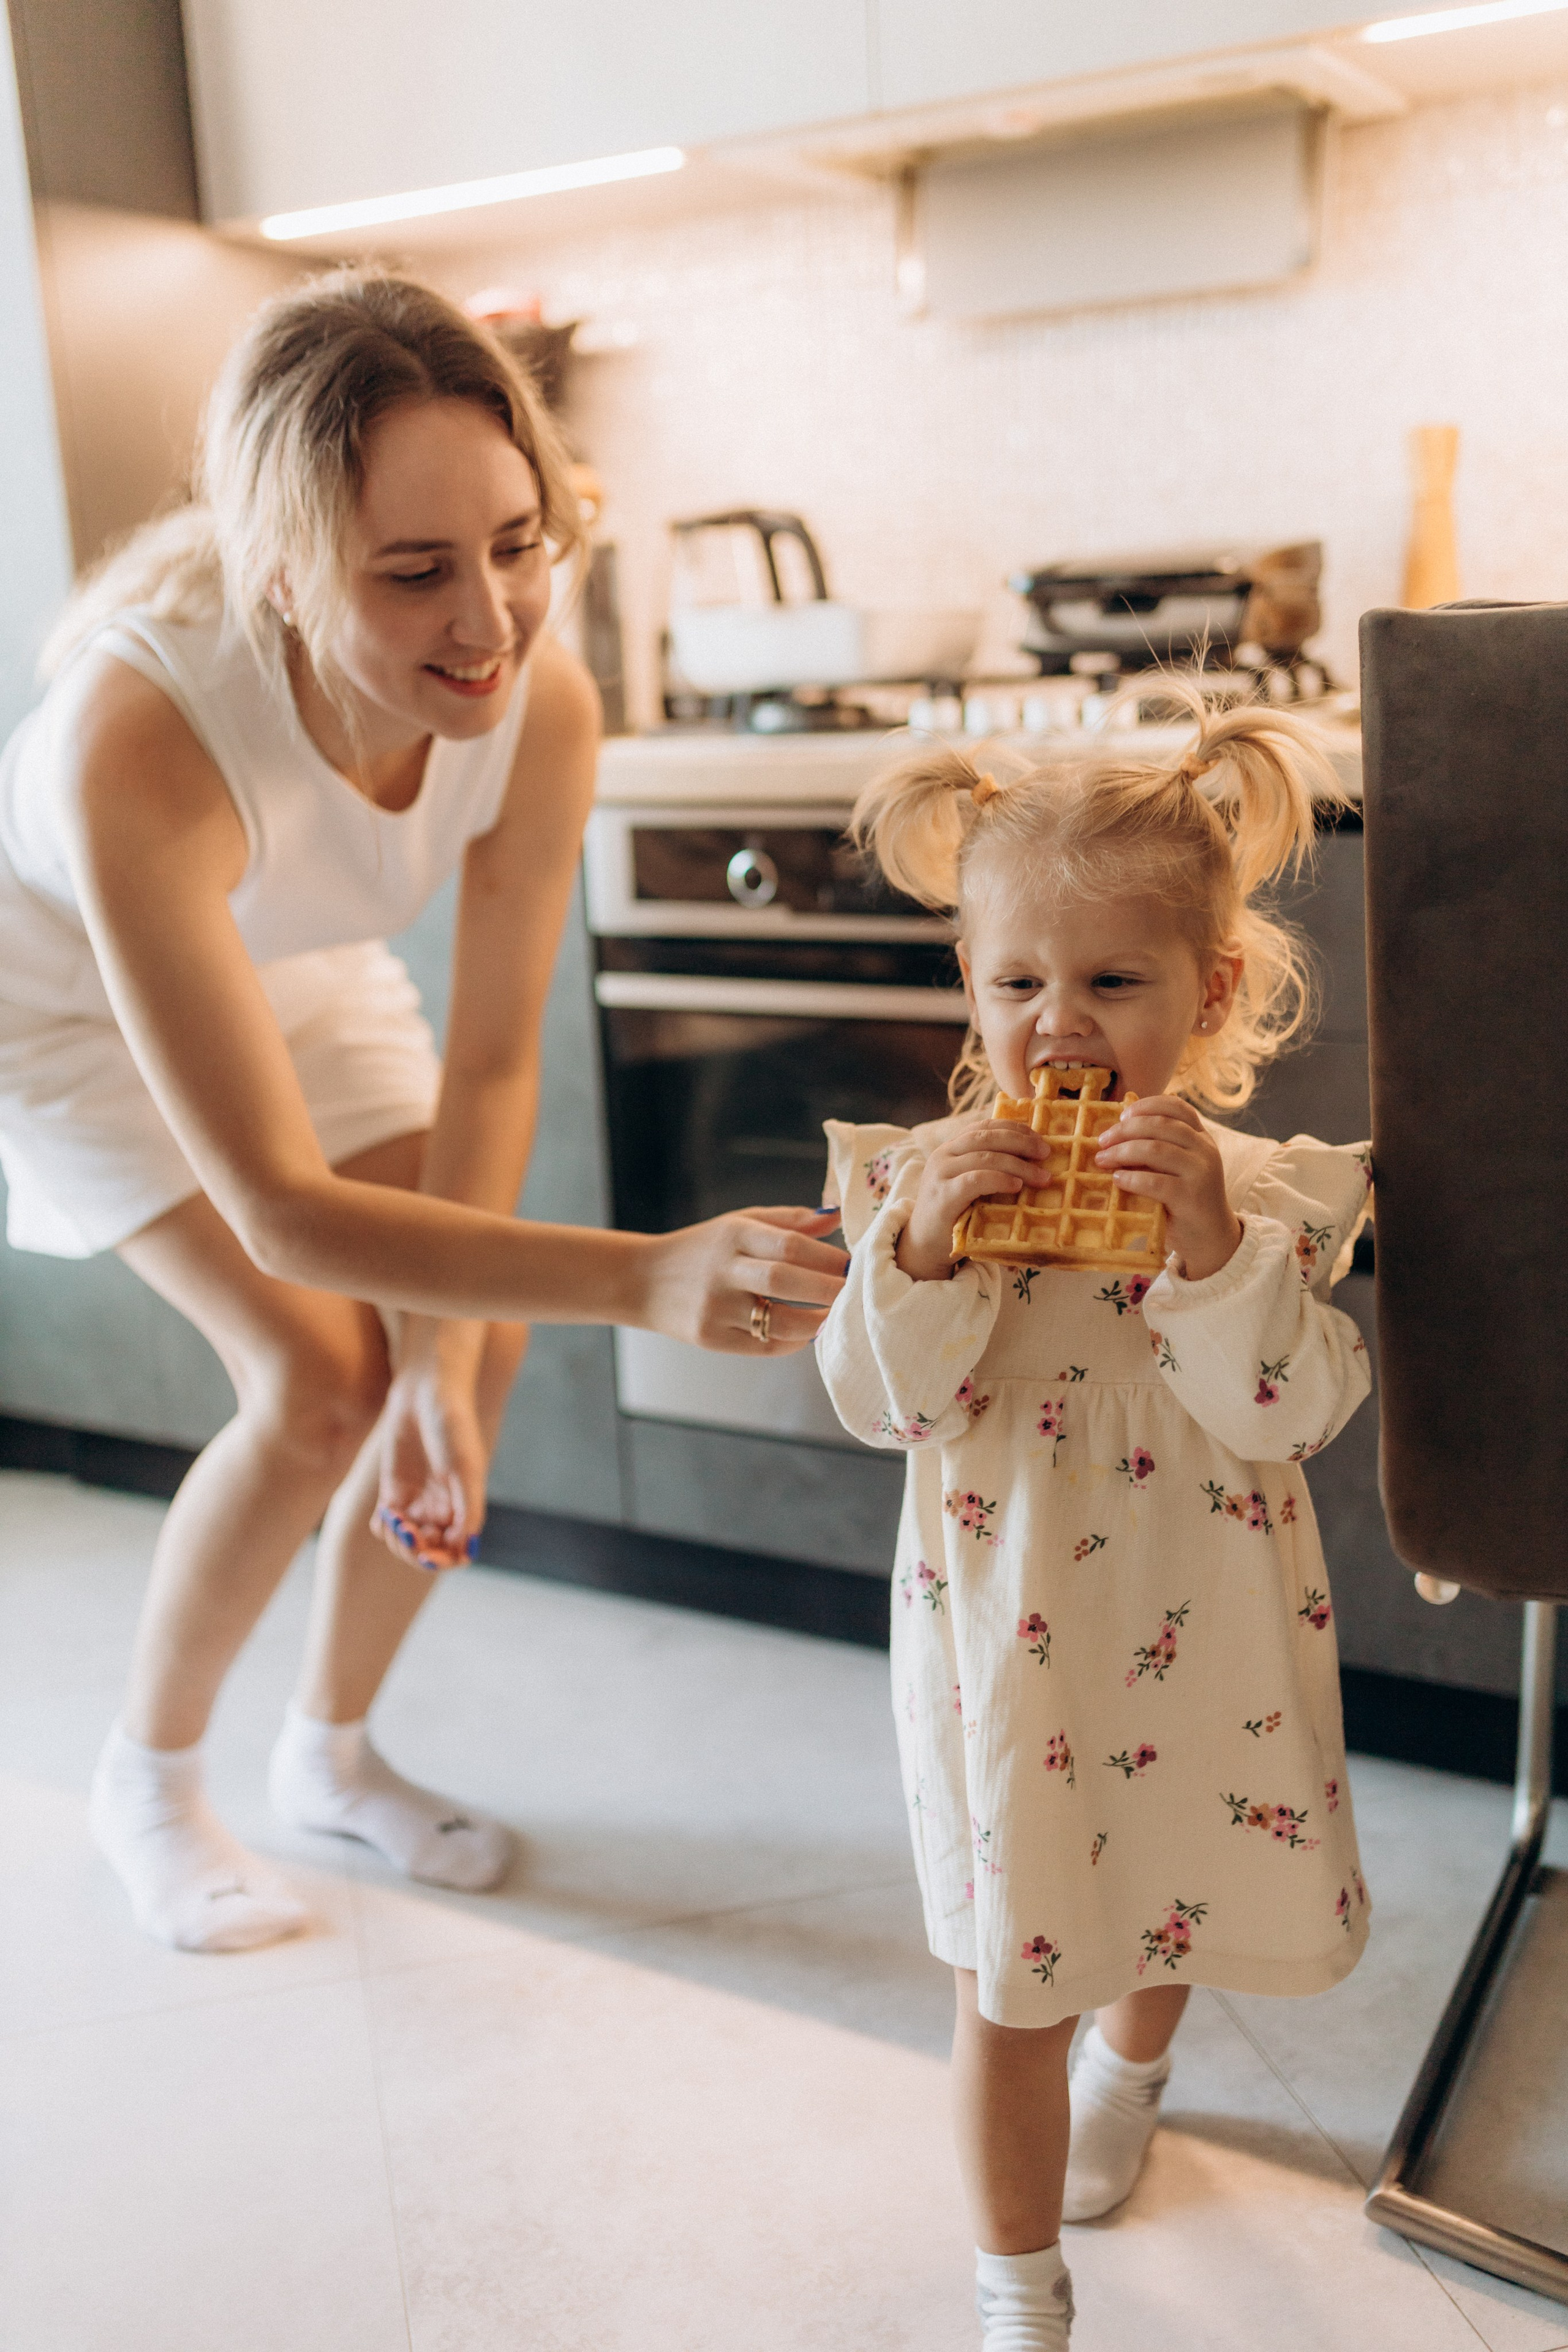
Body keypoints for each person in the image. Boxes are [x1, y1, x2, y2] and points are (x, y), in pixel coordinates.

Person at [0, 269, 844, 1955]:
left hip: (297, 970)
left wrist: (452, 1358)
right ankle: (148, 1782)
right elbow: (288, 1217)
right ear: (284, 570)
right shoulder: (139, 732)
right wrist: (639, 1275)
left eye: (519, 543)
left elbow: (492, 1064)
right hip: (63, 1012)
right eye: (415, 572)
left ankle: (331, 1751)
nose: (493, 620)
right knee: (320, 1379)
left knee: (462, 1353)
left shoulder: (545, 691)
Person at [816, 691, 1373, 2350]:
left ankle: (1135, 2073)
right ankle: (1018, 2291)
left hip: (1207, 1636)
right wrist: (913, 1259)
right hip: (1015, 1652)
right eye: (1020, 983)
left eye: (1115, 982)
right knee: (1012, 1973)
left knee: (1171, 1879)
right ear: (970, 988)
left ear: (1208, 996)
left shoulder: (1264, 1195)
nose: (1061, 1027)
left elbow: (1291, 1411)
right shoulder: (919, 1190)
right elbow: (883, 1406)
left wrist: (1210, 1252)